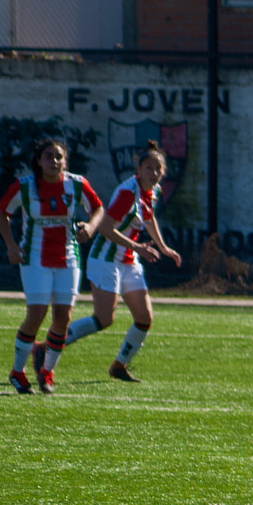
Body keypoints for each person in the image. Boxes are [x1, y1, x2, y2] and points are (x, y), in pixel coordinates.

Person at [54, 140, 183, 382]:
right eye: (149, 168)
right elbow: (104, 228)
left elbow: (148, 217)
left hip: (129, 261)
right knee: (104, 319)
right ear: (139, 168)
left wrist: (164, 248)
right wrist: (138, 247)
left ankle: (119, 366)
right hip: (106, 259)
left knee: (144, 318)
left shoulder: (152, 191)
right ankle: (50, 346)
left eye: (158, 169)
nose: (154, 173)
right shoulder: (127, 193)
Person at [0, 138, 106, 394]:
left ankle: (47, 372)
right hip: (34, 259)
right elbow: (2, 212)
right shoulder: (25, 186)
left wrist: (90, 227)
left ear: (65, 160)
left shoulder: (76, 184)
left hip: (69, 258)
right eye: (48, 156)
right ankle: (17, 372)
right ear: (38, 161)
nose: (54, 162)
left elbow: (98, 208)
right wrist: (11, 245)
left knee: (63, 319)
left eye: (59, 157)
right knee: (36, 315)